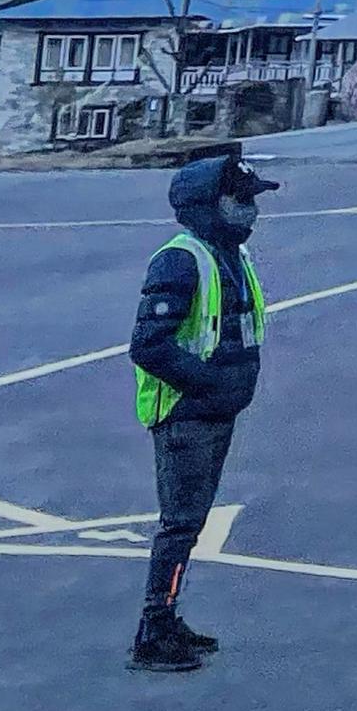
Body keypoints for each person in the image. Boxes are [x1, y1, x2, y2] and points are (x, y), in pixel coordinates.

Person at [125, 148, 275, 674]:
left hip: (217, 410)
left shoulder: (231, 256)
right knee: (180, 524)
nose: (252, 212)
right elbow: (149, 344)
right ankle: (154, 630)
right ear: (209, 205)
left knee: (189, 523)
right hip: (187, 415)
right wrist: (208, 386)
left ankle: (166, 617)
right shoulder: (183, 259)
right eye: (242, 201)